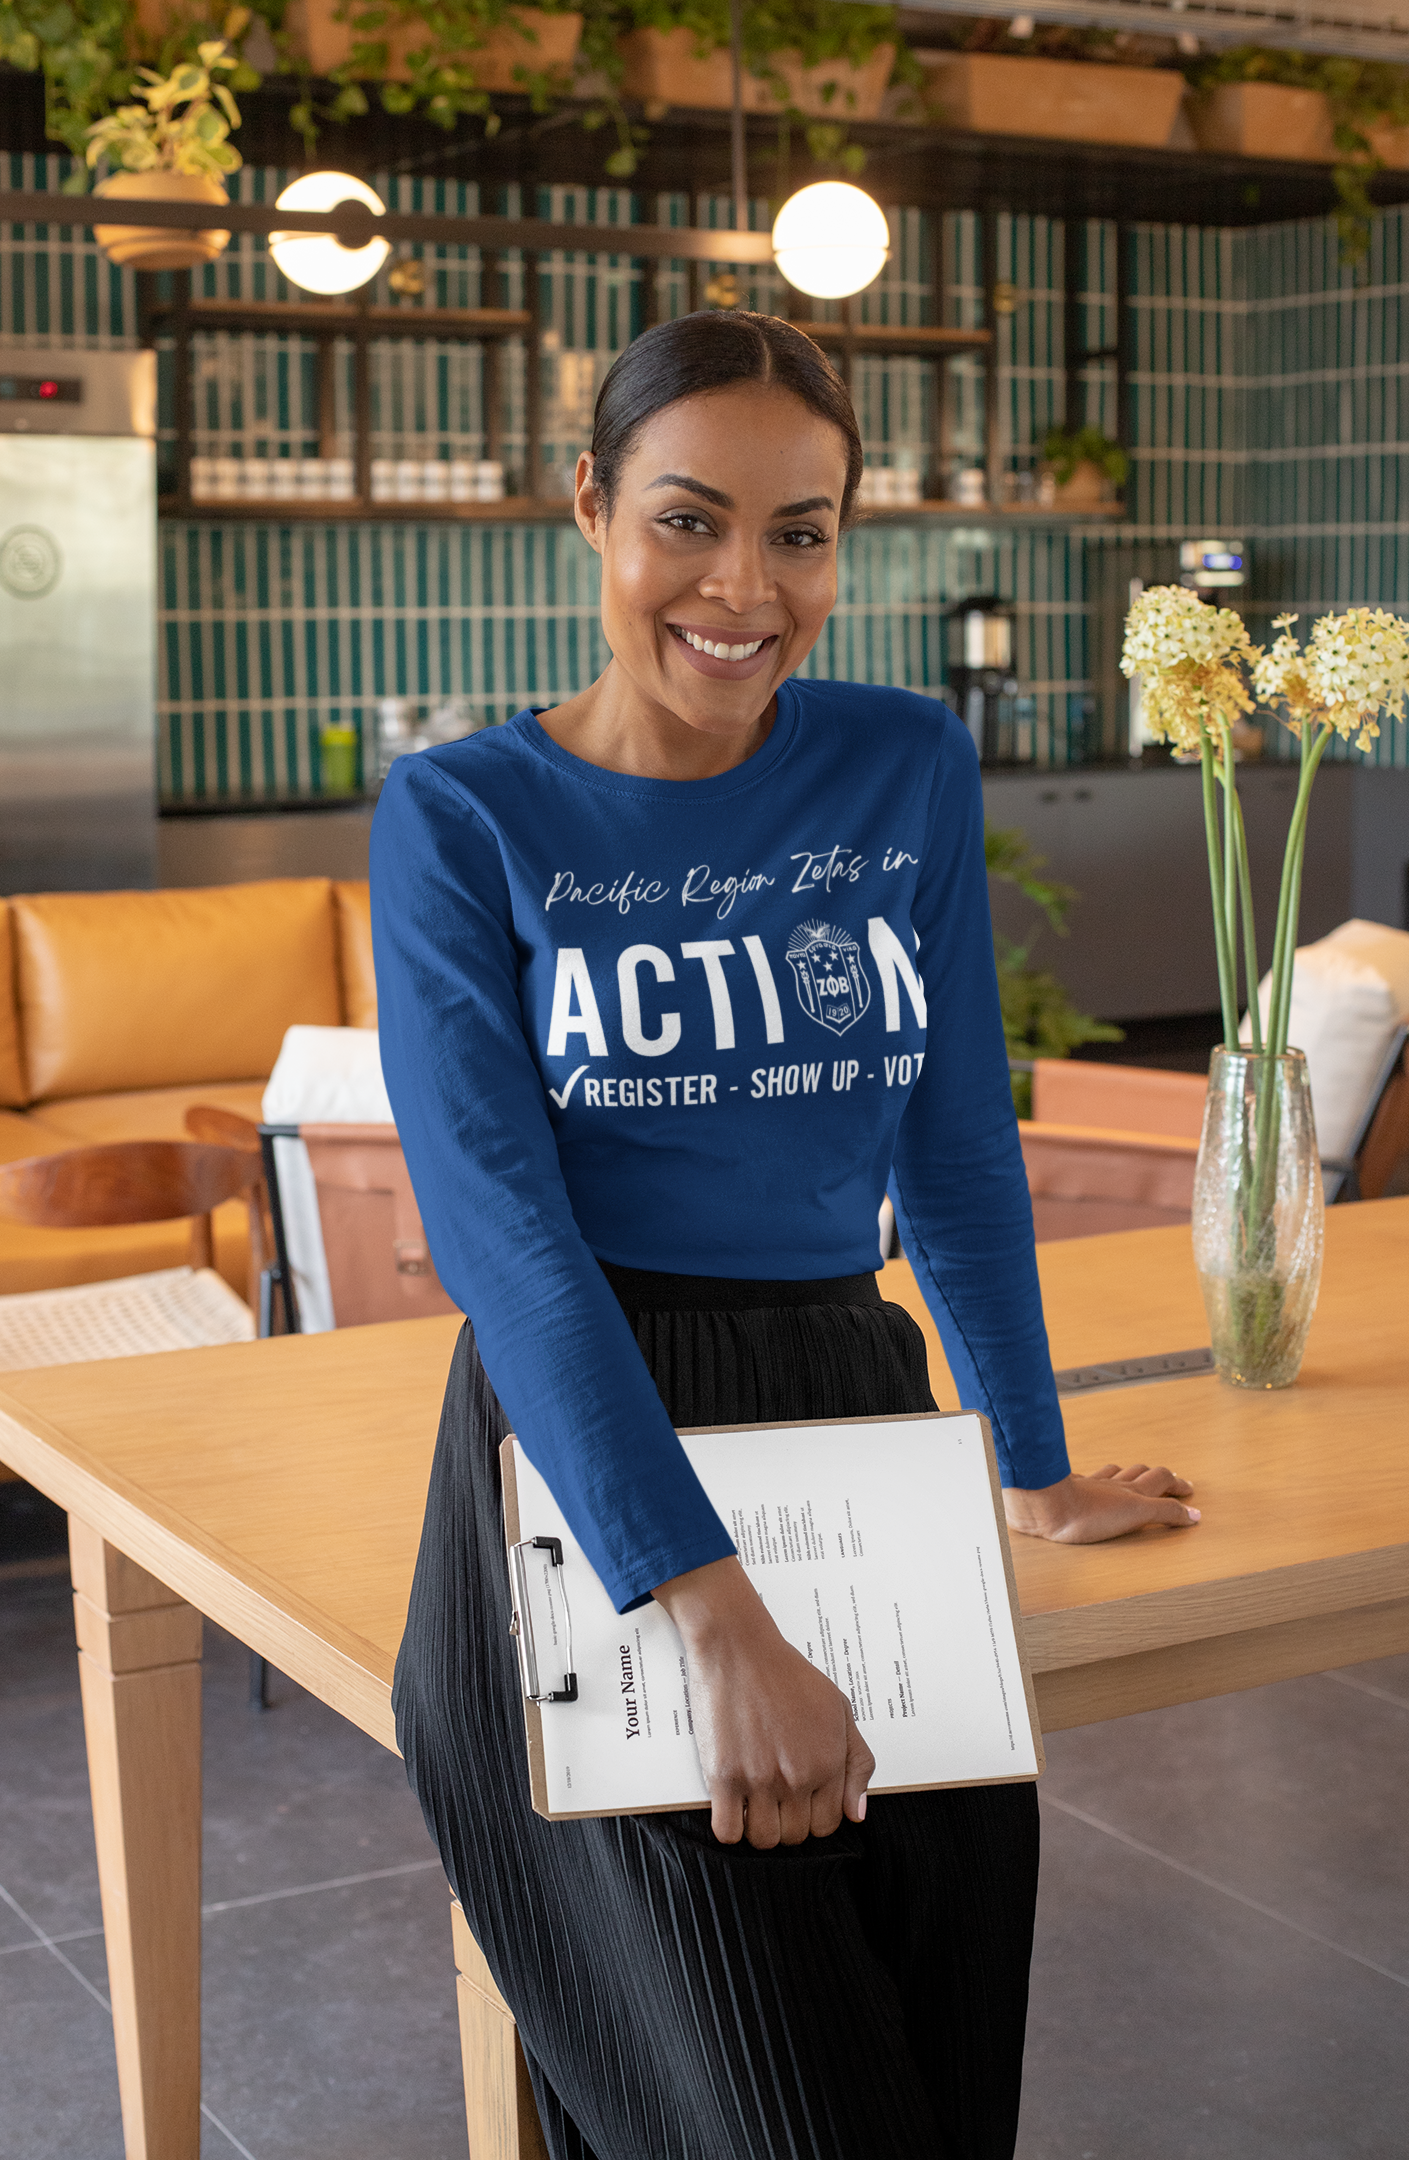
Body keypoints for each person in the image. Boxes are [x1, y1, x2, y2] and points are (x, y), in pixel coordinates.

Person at [371, 309, 1199, 2160]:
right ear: (591, 509)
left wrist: (1033, 1465)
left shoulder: (899, 763)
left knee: (932, 2069)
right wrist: (716, 1614)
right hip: (594, 1468)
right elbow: (506, 1244)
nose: (744, 585)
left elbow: (960, 1149)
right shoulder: (465, 816)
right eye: (689, 519)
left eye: (801, 531)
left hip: (860, 1415)